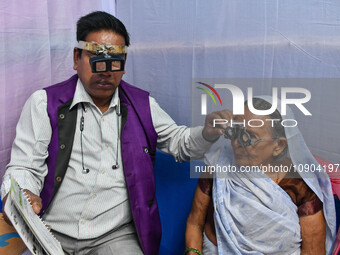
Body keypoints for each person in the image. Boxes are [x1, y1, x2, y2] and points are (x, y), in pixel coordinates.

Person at [1, 11, 226, 255]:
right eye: (97, 58)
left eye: (114, 61)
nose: (106, 71)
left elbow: (181, 144)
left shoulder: (143, 106)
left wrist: (207, 133)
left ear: (123, 65)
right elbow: (24, 167)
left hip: (115, 237)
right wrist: (24, 194)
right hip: (49, 229)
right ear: (77, 58)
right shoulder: (43, 103)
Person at [185, 96, 336, 255]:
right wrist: (193, 252)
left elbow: (313, 251)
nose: (236, 143)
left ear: (278, 145)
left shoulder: (299, 184)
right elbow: (195, 223)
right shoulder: (217, 166)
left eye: (248, 137)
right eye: (235, 132)